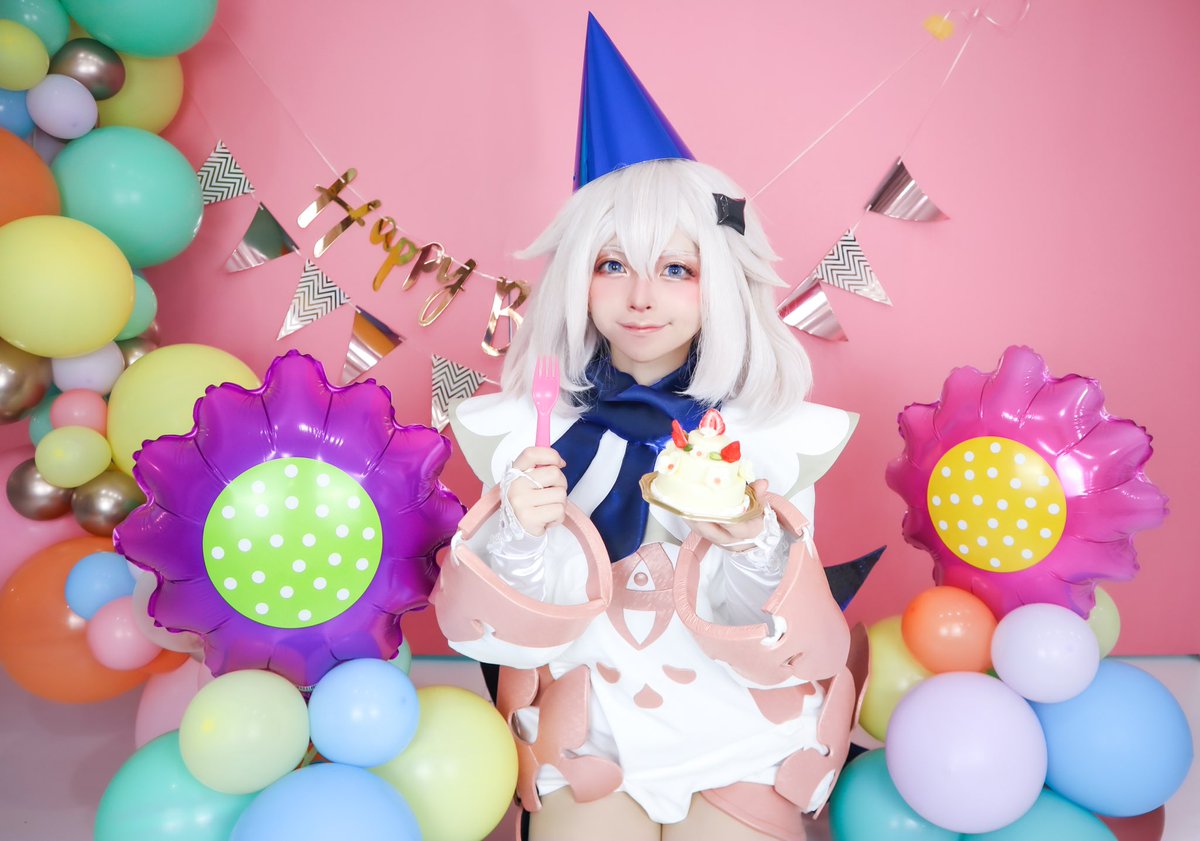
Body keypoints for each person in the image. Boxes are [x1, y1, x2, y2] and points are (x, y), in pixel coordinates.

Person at [432, 15, 867, 841]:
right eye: (612, 265)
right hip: (583, 731)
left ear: (721, 282)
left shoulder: (771, 435)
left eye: (675, 268)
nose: (641, 297)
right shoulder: (528, 430)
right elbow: (499, 637)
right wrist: (521, 533)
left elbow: (795, 639)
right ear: (577, 278)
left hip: (744, 730)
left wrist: (752, 540)